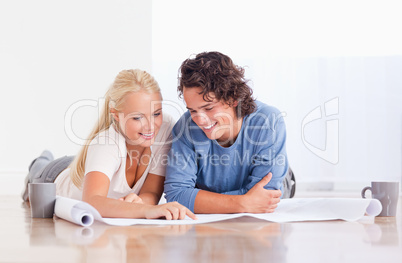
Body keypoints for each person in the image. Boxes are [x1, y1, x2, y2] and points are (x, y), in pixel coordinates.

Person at [22, 69, 196, 220]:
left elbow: (151, 193)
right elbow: (92, 201)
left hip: (89, 165)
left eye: (156, 113)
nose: (151, 126)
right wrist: (145, 210)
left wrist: (140, 203)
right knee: (39, 167)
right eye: (137, 117)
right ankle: (42, 158)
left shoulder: (165, 127)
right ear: (116, 115)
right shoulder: (106, 143)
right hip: (52, 176)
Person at [164, 52, 295, 214]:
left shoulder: (268, 120)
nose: (200, 120)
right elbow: (176, 195)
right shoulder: (185, 127)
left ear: (234, 99)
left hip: (278, 183)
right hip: (220, 188)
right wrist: (242, 203)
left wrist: (199, 199)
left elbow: (265, 195)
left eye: (209, 108)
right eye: (192, 110)